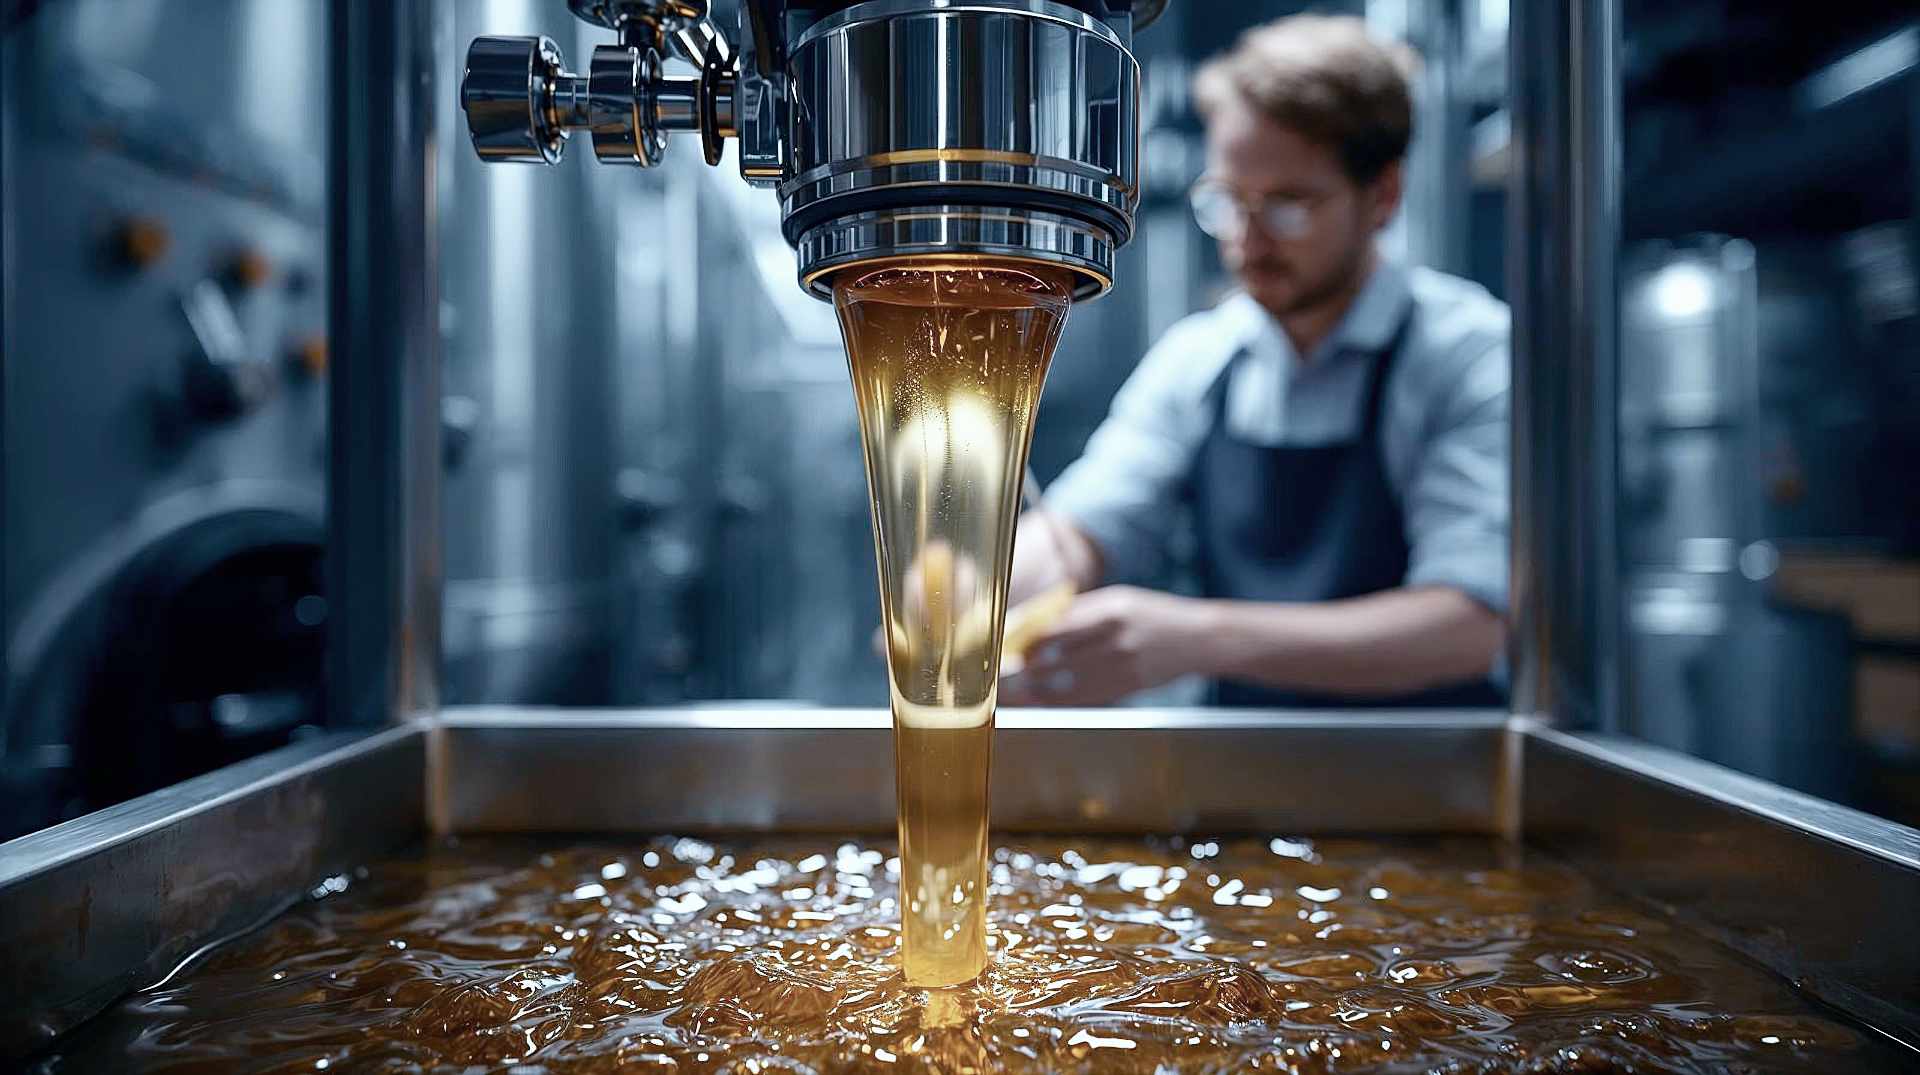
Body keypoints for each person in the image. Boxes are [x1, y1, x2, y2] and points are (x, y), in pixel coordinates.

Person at [1000, 14, 1509, 709]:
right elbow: (1090, 525)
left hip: (1430, 787)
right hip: (1238, 782)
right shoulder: (1200, 360)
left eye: (1288, 205)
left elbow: (1470, 624)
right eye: (1229, 200)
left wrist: (1201, 637)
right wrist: (980, 588)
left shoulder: (1465, 354)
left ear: (1383, 195)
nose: (1247, 239)